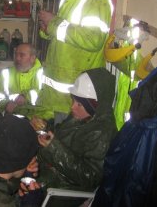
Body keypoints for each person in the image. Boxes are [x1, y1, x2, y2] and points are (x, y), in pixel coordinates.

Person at [37, 0, 114, 122]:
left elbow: (93, 39)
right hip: (59, 97)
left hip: (77, 98)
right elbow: (68, 32)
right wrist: (47, 29)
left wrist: (54, 23)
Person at [37, 67, 117, 198]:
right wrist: (46, 126)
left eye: (79, 104)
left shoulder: (102, 133)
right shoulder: (82, 115)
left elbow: (90, 178)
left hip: (67, 188)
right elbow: (62, 133)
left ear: (95, 106)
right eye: (73, 101)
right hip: (52, 169)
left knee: (30, 193)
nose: (72, 107)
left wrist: (54, 148)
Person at [0, 43, 44, 117]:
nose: (17, 58)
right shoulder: (5, 74)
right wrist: (6, 104)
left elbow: (45, 96)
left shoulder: (44, 74)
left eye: (22, 55)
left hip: (38, 119)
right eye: (16, 54)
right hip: (11, 118)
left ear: (32, 58)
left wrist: (25, 97)